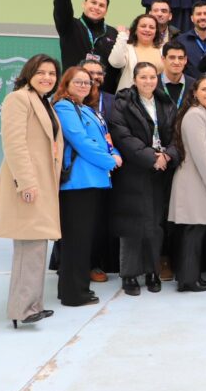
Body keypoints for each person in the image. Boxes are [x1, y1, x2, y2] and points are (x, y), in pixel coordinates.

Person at [0, 54, 63, 328]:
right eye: (41, 72)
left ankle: (32, 305)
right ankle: (22, 309)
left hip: (43, 182)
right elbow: (14, 143)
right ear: (29, 73)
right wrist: (26, 183)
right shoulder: (18, 99)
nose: (47, 77)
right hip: (29, 184)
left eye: (52, 74)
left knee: (37, 244)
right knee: (29, 245)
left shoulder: (44, 102)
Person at [109, 62, 180, 296]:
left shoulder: (165, 102)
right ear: (134, 79)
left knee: (155, 224)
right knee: (131, 223)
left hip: (160, 172)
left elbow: (177, 135)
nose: (148, 81)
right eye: (143, 77)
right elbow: (122, 136)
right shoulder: (122, 103)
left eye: (152, 77)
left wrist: (167, 156)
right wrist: (151, 157)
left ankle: (152, 271)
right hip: (134, 170)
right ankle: (129, 274)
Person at [53, 67, 121, 307]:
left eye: (87, 82)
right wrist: (109, 161)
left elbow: (104, 139)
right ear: (66, 84)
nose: (84, 85)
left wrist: (115, 152)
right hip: (78, 182)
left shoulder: (87, 109)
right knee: (76, 240)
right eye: (78, 81)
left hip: (94, 180)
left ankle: (76, 288)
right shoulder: (64, 107)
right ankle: (74, 294)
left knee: (83, 240)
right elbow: (81, 141)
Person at [168, 77, 206, 293]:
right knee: (193, 231)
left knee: (196, 231)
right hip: (195, 182)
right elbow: (200, 153)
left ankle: (190, 276)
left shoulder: (203, 114)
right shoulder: (194, 116)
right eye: (205, 89)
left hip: (199, 182)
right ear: (195, 92)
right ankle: (188, 280)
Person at [77, 58, 115, 283]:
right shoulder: (70, 103)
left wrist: (113, 156)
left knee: (100, 220)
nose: (95, 77)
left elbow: (114, 133)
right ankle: (75, 266)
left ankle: (95, 263)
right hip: (81, 169)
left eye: (99, 73)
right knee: (79, 221)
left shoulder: (112, 100)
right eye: (89, 73)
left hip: (106, 169)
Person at [50, 0, 116, 71]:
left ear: (106, 11)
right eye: (93, 3)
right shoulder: (69, 25)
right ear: (84, 4)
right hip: (74, 81)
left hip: (102, 83)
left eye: (101, 5)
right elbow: (62, 7)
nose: (96, 7)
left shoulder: (113, 33)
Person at [108, 14, 163, 91]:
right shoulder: (127, 48)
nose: (147, 29)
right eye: (143, 26)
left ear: (156, 31)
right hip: (130, 96)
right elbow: (115, 63)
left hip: (156, 96)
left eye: (152, 27)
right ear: (135, 30)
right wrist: (122, 36)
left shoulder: (163, 49)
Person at [175, 1, 206, 78]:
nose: (202, 17)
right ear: (192, 18)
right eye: (198, 14)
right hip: (190, 85)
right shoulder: (181, 41)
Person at [158, 41, 190, 110]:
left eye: (180, 58)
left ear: (185, 60)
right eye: (172, 58)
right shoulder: (153, 84)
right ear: (163, 59)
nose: (176, 62)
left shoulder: (193, 85)